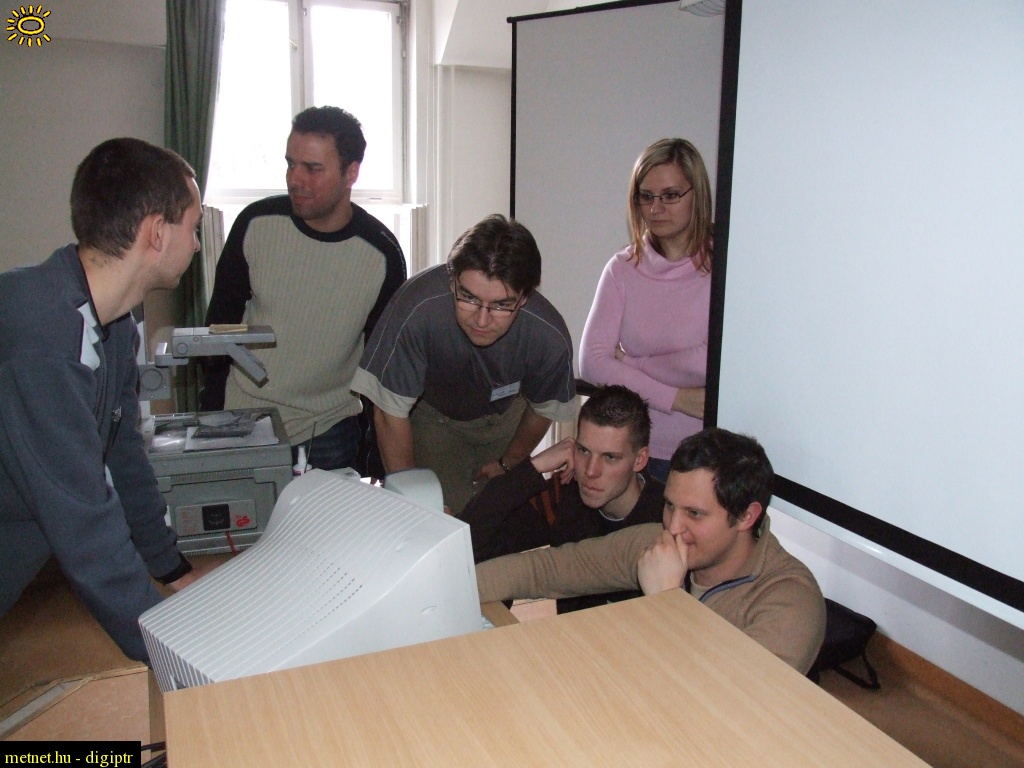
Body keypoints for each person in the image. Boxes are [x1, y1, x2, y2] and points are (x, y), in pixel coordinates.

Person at [0, 138, 207, 662]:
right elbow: (83, 521)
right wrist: (177, 654)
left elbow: (121, 452)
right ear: (157, 233)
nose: (197, 245)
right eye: (194, 228)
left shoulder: (111, 323)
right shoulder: (44, 336)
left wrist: (172, 570)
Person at [476, 428, 827, 673]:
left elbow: (733, 704)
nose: (673, 527)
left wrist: (667, 602)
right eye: (670, 505)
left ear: (746, 516)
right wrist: (452, 586)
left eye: (694, 514)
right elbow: (547, 571)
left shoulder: (789, 600)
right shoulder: (660, 544)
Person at [202, 106, 406, 472]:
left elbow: (380, 365)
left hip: (328, 428)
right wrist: (213, 411)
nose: (295, 179)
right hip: (244, 419)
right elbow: (218, 327)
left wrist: (371, 448)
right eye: (290, 164)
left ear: (351, 173)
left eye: (313, 168)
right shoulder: (255, 224)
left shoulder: (381, 255)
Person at [352, 214, 576, 515]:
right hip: (434, 418)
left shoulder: (548, 335)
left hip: (507, 417)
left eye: (501, 305)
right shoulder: (415, 309)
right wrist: (416, 501)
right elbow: (389, 413)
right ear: (451, 280)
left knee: (498, 517)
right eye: (468, 298)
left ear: (524, 297)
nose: (481, 320)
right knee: (442, 517)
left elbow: (543, 409)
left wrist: (509, 463)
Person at [579, 138, 713, 483]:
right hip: (640, 455)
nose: (656, 208)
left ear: (697, 194)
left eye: (670, 195)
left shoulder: (725, 267)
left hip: (709, 455)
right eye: (646, 196)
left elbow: (710, 362)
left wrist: (631, 364)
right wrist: (677, 398)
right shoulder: (622, 269)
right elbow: (592, 362)